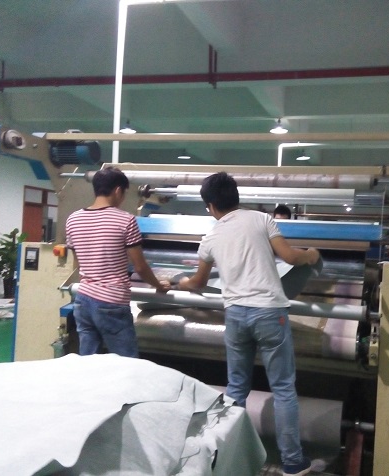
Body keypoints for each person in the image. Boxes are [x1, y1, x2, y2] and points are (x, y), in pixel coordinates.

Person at [178, 172, 319, 476]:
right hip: (269, 313)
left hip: (236, 316)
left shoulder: (211, 237)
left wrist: (178, 283)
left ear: (210, 206)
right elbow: (289, 257)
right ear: (236, 196)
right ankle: (293, 462)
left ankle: (230, 458)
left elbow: (198, 283)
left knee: (237, 388)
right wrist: (311, 255)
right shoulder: (261, 219)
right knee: (283, 388)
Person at [65, 166, 170, 358]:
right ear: (118, 190)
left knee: (88, 360)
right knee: (126, 361)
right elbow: (140, 266)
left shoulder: (73, 219)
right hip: (111, 302)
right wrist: (158, 285)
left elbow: (78, 262)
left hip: (83, 299)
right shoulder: (126, 220)